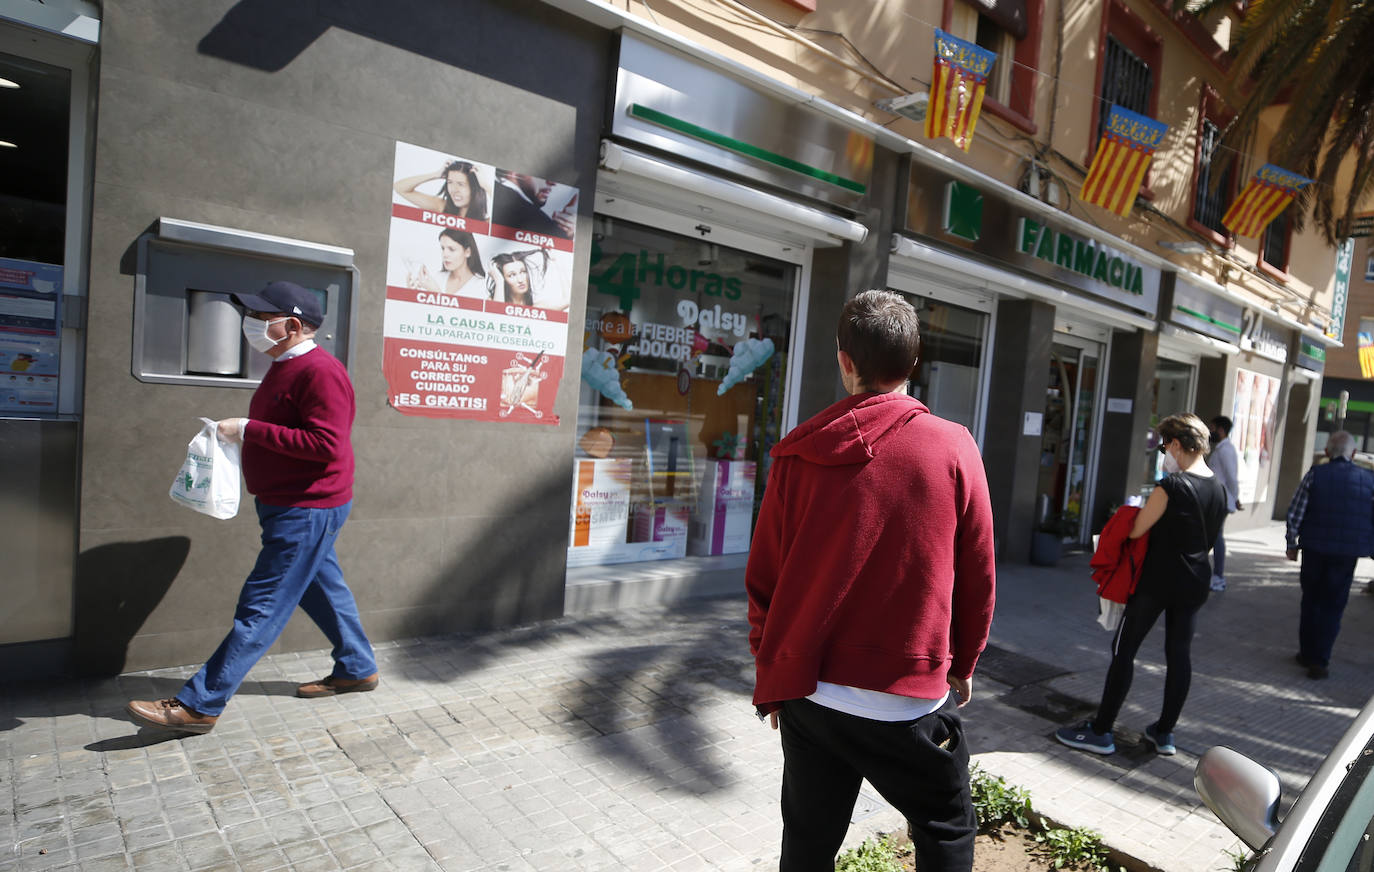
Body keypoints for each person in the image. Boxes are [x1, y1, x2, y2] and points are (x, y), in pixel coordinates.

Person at [746, 290, 996, 872]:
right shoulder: (954, 447)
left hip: (811, 694)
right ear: (915, 362)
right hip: (906, 700)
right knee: (947, 830)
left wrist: (776, 668)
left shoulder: (797, 454)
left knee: (808, 843)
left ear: (845, 362)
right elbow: (979, 574)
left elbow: (765, 579)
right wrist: (963, 665)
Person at [127, 281, 379, 734]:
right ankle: (357, 667)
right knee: (322, 589)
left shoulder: (320, 371)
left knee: (261, 605)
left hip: (307, 508)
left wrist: (247, 429)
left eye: (262, 319)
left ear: (294, 324)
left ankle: (200, 704)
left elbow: (326, 444)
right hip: (288, 504)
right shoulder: (284, 365)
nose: (252, 326)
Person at [1056, 414, 1226, 757]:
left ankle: (1101, 731)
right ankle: (1164, 733)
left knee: (1124, 650)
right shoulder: (1218, 488)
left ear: (1177, 445)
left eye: (1165, 445)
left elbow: (1137, 530)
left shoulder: (1172, 486)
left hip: (1157, 581)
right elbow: (1209, 539)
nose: (1164, 452)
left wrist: (1130, 514)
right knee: (1179, 655)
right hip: (1195, 581)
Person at [1284, 430, 1374, 680]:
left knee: (1311, 600)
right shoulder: (1369, 479)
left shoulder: (1316, 475)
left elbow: (1296, 511)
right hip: (1347, 553)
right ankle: (1320, 660)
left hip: (1315, 549)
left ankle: (1306, 652)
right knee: (1334, 605)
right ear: (1354, 454)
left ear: (1326, 452)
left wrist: (1292, 543)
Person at [1206, 415, 1242, 591]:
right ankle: (1215, 575)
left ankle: (1218, 576)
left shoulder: (1226, 450)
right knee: (1213, 535)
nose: (1209, 432)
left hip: (1221, 500)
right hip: (1218, 498)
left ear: (1220, 430)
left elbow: (1231, 478)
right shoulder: (1221, 449)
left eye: (1211, 428)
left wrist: (1234, 498)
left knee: (1216, 536)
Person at [491, 170, 575, 238]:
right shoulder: (544, 225)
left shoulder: (486, 192)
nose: (553, 183)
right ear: (513, 172)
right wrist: (562, 237)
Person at [393, 160, 489, 219]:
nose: (454, 190)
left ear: (475, 188)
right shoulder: (442, 207)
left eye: (461, 184)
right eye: (450, 182)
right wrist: (435, 175)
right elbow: (399, 188)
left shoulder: (486, 222)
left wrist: (485, 185)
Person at [410, 228, 488, 299]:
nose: (445, 254)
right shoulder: (438, 277)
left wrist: (436, 293)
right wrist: (413, 293)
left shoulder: (481, 285)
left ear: (467, 252)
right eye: (443, 248)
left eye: (452, 249)